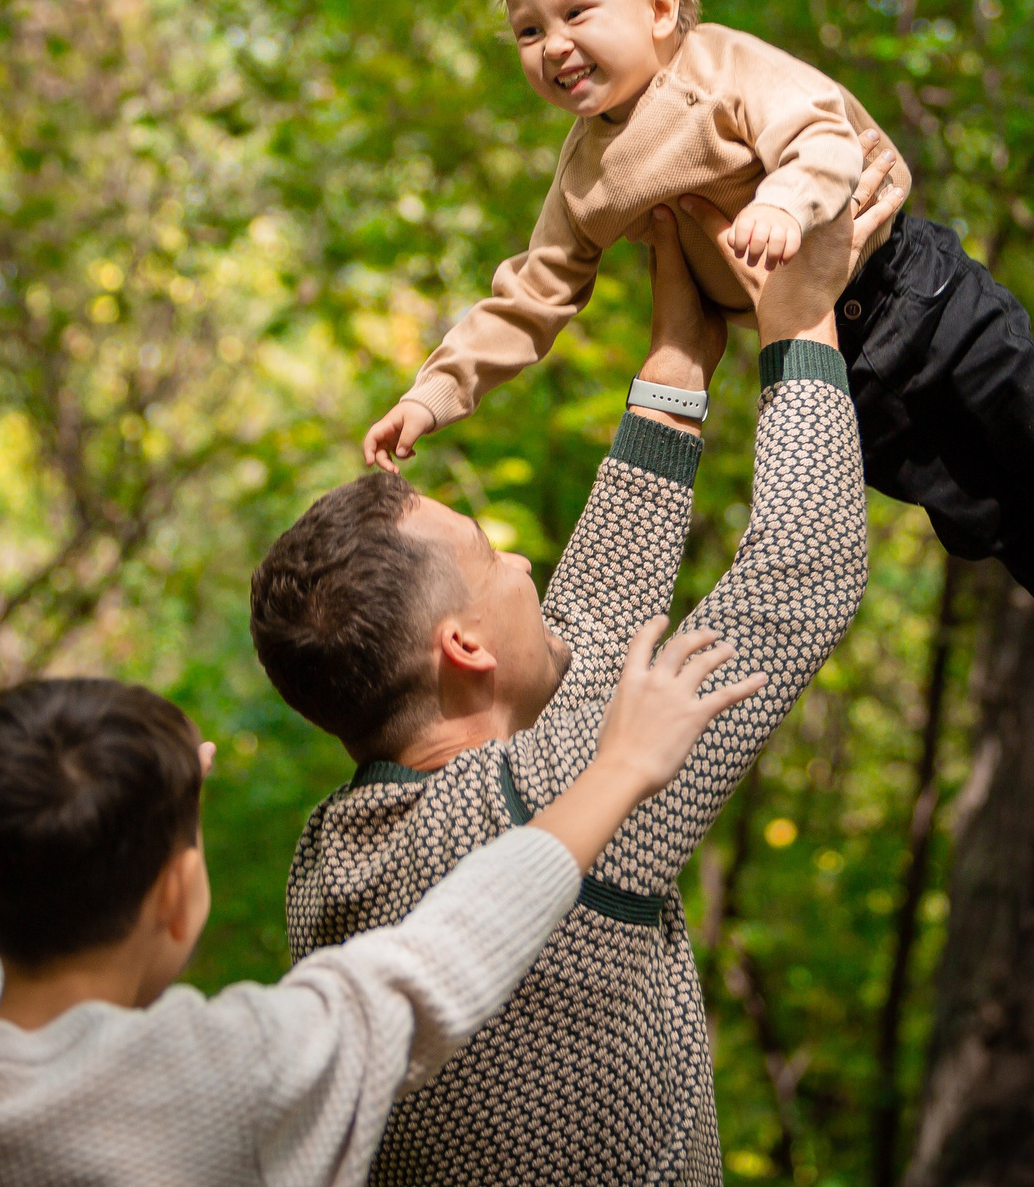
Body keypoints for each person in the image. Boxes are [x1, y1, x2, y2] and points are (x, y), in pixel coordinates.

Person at [356, 0, 1034, 708]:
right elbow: (533, 291)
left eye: (576, 13)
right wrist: (434, 394)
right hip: (830, 364)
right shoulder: (587, 175)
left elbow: (822, 136)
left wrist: (785, 204)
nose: (552, 45)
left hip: (913, 293)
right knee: (979, 516)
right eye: (526, 30)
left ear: (661, 10)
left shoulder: (722, 71)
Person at [252, 173, 893, 1185]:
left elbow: (585, 648)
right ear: (463, 648)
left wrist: (676, 359)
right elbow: (802, 570)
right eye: (488, 554)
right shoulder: (547, 806)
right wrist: (801, 315)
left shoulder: (329, 859)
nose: (518, 565)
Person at [0, 644, 764, 1187]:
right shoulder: (228, 1080)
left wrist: (112, 824)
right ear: (173, 896)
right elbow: (444, 955)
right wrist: (620, 768)